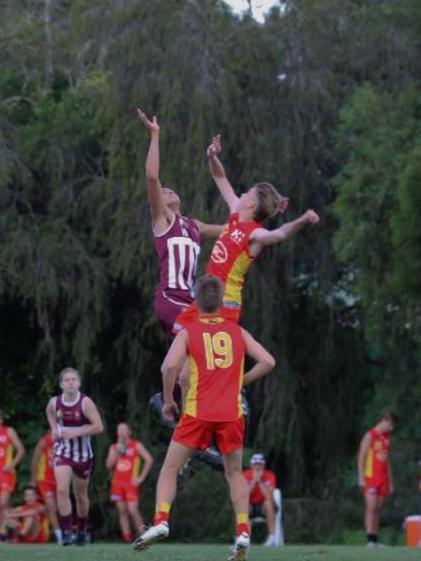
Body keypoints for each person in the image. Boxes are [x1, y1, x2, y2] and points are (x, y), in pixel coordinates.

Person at [132, 274, 276, 561]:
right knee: (234, 473)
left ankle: (161, 520)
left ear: (196, 301)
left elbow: (169, 367)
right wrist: (240, 382)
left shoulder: (189, 332)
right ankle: (243, 530)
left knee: (171, 468)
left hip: (198, 412)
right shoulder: (237, 331)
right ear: (221, 301)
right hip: (231, 413)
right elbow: (269, 361)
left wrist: (170, 401)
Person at [174, 135, 319, 331]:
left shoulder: (255, 234)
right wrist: (212, 157)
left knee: (201, 351)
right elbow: (219, 177)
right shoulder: (235, 215)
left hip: (225, 302)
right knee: (179, 338)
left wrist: (302, 220)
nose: (241, 194)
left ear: (250, 204)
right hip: (207, 297)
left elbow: (279, 234)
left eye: (247, 192)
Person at [137, 108, 222, 336]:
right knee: (203, 336)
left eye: (169, 189)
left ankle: (176, 373)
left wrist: (264, 212)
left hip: (191, 301)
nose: (167, 190)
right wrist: (155, 135)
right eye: (163, 191)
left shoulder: (195, 226)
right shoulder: (163, 218)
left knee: (207, 345)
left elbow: (234, 231)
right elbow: (152, 177)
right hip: (170, 298)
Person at [45, 367, 104, 546]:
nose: (71, 383)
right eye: (67, 380)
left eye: (73, 380)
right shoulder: (54, 403)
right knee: (62, 490)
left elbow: (99, 427)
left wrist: (75, 432)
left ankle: (81, 530)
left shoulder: (86, 403)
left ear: (78, 383)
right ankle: (67, 532)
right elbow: (49, 413)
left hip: (83, 454)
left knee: (80, 495)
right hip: (62, 451)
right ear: (61, 384)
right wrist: (55, 429)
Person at [106, 422, 153, 543]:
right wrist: (118, 452)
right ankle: (127, 538)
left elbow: (149, 459)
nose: (121, 432)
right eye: (119, 429)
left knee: (133, 510)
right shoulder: (114, 447)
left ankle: (144, 536)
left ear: (129, 432)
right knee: (122, 511)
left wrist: (141, 478)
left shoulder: (136, 445)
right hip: (117, 483)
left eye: (123, 429)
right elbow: (109, 465)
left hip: (131, 483)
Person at [357, 410, 396, 546]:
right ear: (384, 420)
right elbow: (361, 456)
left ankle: (374, 538)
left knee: (378, 507)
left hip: (382, 478)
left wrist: (390, 482)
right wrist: (361, 478)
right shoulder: (370, 435)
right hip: (370, 477)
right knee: (371, 506)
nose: (391, 428)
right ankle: (369, 540)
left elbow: (387, 461)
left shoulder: (386, 438)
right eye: (390, 425)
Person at [30, 430, 62, 544]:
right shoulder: (45, 440)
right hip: (44, 479)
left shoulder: (67, 440)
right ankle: (60, 537)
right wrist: (33, 478)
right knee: (51, 506)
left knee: (58, 508)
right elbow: (35, 458)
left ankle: (51, 531)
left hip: (59, 479)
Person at [0, 409, 25, 542]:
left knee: (3, 503)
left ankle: (4, 531)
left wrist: (12, 464)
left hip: (5, 473)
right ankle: (3, 533)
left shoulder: (8, 431)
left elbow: (21, 449)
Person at [243, 453, 277, 546]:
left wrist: (260, 481)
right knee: (243, 505)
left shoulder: (270, 475)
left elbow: (269, 497)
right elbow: (244, 495)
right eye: (255, 464)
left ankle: (272, 537)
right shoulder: (245, 474)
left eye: (260, 464)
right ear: (251, 465)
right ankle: (244, 537)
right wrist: (254, 481)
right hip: (251, 505)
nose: (257, 466)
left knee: (268, 503)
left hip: (264, 506)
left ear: (263, 465)